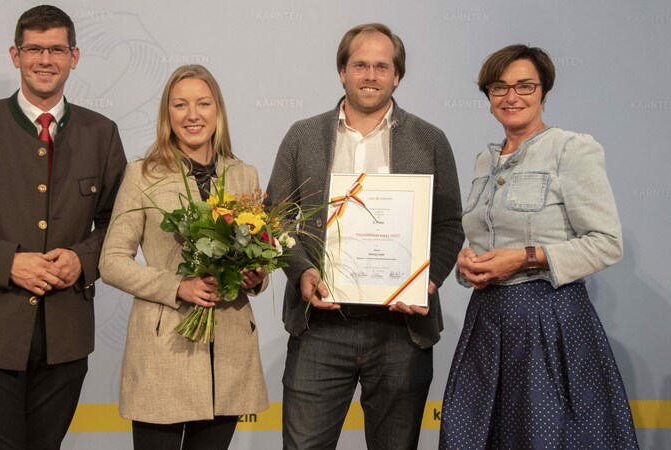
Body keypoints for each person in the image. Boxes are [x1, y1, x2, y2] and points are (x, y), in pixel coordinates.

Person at [0, 5, 127, 449]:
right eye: (34, 48)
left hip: (66, 336)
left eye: (56, 49)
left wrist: (82, 258)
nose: (45, 59)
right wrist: (8, 262)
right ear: (15, 55)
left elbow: (119, 223)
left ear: (75, 56)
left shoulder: (102, 132)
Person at [265, 23, 464, 449]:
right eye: (360, 65)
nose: (370, 75)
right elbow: (275, 217)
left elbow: (449, 224)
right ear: (342, 71)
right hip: (319, 324)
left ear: (397, 75)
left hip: (401, 330)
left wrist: (428, 280)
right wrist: (301, 271)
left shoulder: (430, 140)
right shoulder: (302, 135)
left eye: (381, 66)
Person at [439, 44, 639, 449]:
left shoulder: (571, 148)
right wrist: (468, 264)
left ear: (543, 91)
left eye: (524, 86)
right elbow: (484, 237)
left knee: (545, 437)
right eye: (499, 88)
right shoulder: (484, 159)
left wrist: (527, 257)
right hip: (487, 322)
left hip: (550, 323)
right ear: (488, 96)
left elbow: (606, 243)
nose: (511, 97)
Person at [98, 64, 268, 450]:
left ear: (218, 111)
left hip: (229, 351)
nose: (193, 115)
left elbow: (257, 252)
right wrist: (177, 286)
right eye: (180, 105)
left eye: (203, 103)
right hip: (165, 349)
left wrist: (255, 276)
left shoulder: (245, 175)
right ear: (167, 115)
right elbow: (111, 261)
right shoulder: (142, 174)